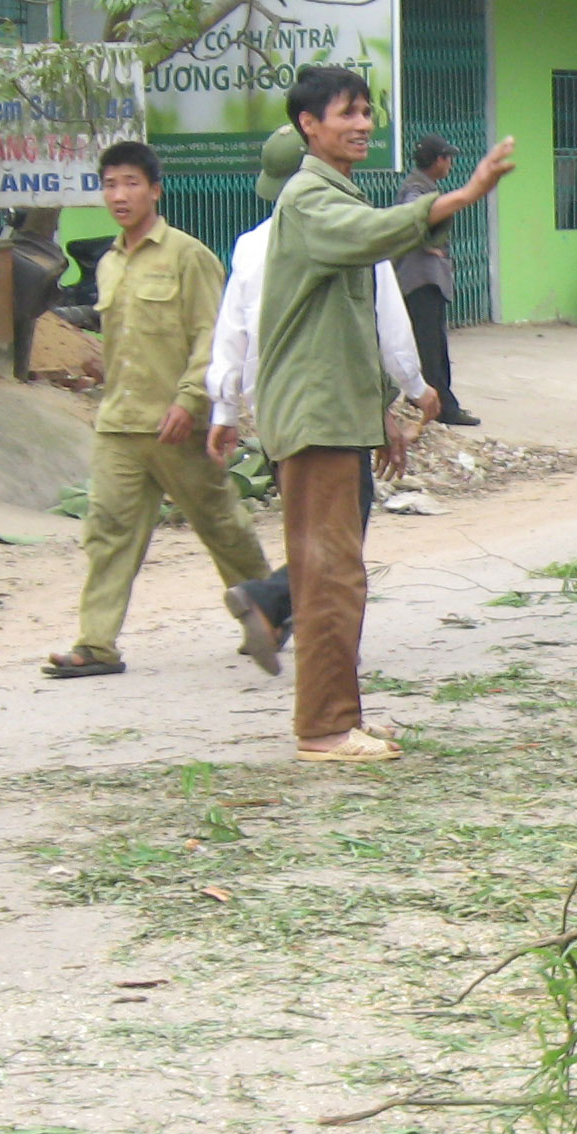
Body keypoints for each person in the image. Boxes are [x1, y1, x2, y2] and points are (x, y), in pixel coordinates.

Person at [259, 64, 511, 764]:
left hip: (334, 413)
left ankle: (338, 719)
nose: (364, 123)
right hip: (312, 419)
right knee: (329, 573)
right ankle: (325, 730)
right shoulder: (312, 199)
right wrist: (460, 195)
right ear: (310, 125)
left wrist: (386, 413)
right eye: (348, 112)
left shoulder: (331, 193)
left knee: (335, 571)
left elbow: (348, 328)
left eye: (368, 111)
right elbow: (373, 235)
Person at [205, 124, 432, 675]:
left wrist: (224, 409)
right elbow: (386, 325)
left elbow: (231, 333)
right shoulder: (350, 233)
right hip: (329, 410)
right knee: (339, 537)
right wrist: (416, 389)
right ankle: (275, 603)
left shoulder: (248, 246)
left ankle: (278, 616)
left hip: (278, 413)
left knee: (313, 529)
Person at [43, 140, 273, 681]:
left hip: (177, 425)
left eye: (130, 183)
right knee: (108, 530)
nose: (119, 196)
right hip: (120, 424)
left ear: (155, 190)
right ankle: (96, 645)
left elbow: (210, 335)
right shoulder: (110, 262)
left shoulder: (188, 256)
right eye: (110, 185)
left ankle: (274, 608)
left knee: (218, 522)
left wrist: (193, 399)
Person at [394, 135, 479, 427]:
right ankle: (441, 406)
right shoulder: (416, 189)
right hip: (421, 279)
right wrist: (424, 243)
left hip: (428, 277)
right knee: (430, 347)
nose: (450, 164)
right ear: (438, 160)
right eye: (447, 158)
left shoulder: (423, 185)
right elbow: (411, 215)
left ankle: (425, 401)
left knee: (432, 345)